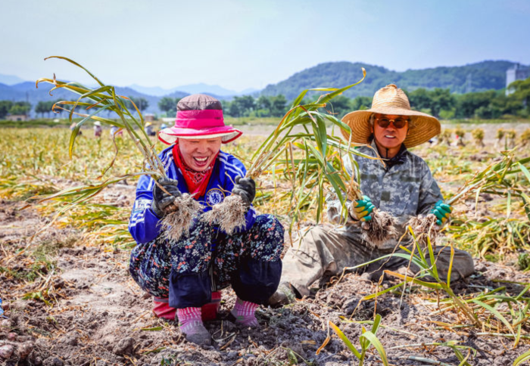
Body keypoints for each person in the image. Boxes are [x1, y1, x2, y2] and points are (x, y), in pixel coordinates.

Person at [269, 84, 474, 306]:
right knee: (311, 236)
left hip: (400, 252)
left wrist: (436, 216)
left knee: (461, 260)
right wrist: (352, 211)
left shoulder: (418, 167)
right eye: (384, 121)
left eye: (399, 122)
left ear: (407, 127)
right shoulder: (352, 160)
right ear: (372, 124)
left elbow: (431, 204)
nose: (391, 128)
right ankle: (284, 289)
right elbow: (332, 206)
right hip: (352, 246)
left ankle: (381, 275)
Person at [128, 94, 284, 346]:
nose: (203, 149)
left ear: (221, 139)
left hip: (212, 265)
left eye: (212, 140)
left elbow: (246, 228)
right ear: (178, 139)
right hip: (161, 269)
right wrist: (157, 210)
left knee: (269, 225)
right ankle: (188, 316)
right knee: (191, 219)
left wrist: (242, 209)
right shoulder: (158, 170)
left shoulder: (232, 169)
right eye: (193, 141)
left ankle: (244, 311)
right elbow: (139, 232)